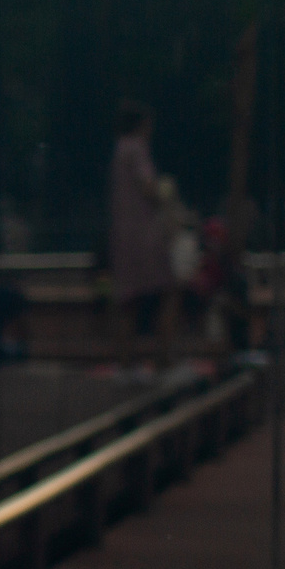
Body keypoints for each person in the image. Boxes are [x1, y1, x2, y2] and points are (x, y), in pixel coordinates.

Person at [107, 102, 173, 370]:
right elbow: (149, 187)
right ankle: (164, 363)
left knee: (127, 302)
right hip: (143, 234)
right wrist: (165, 194)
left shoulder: (119, 148)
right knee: (167, 294)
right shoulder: (137, 147)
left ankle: (125, 365)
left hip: (122, 235)